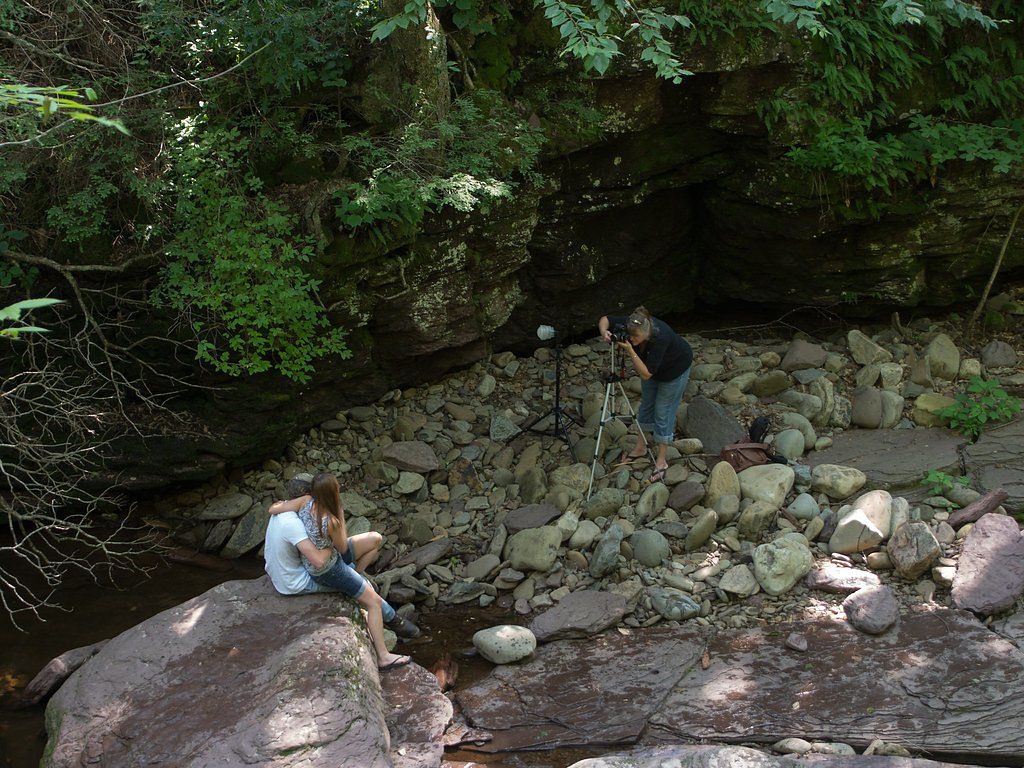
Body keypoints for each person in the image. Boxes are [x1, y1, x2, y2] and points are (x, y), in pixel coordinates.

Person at [264, 472, 418, 671]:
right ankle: (383, 656)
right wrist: (340, 515)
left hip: (320, 561)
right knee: (372, 603)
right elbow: (342, 548)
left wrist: (279, 505)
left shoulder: (304, 502)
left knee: (374, 539)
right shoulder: (332, 520)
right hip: (328, 569)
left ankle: (358, 579)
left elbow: (275, 507)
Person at [597, 306, 693, 483]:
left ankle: (662, 460)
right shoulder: (633, 323)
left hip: (675, 370)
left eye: (636, 338)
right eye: (630, 335)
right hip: (651, 368)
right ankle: (641, 448)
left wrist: (630, 350)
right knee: (647, 404)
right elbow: (605, 318)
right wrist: (605, 332)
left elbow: (647, 373)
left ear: (646, 333)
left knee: (663, 411)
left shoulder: (660, 337)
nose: (631, 339)